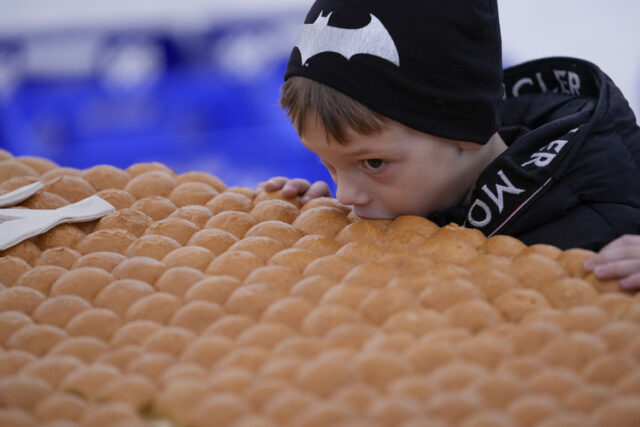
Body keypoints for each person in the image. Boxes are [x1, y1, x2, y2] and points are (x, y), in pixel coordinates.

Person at [257, 0, 640, 287]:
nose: (346, 194)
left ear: (464, 130)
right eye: (329, 163)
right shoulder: (413, 185)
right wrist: (318, 221)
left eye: (372, 163)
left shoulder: (615, 207)